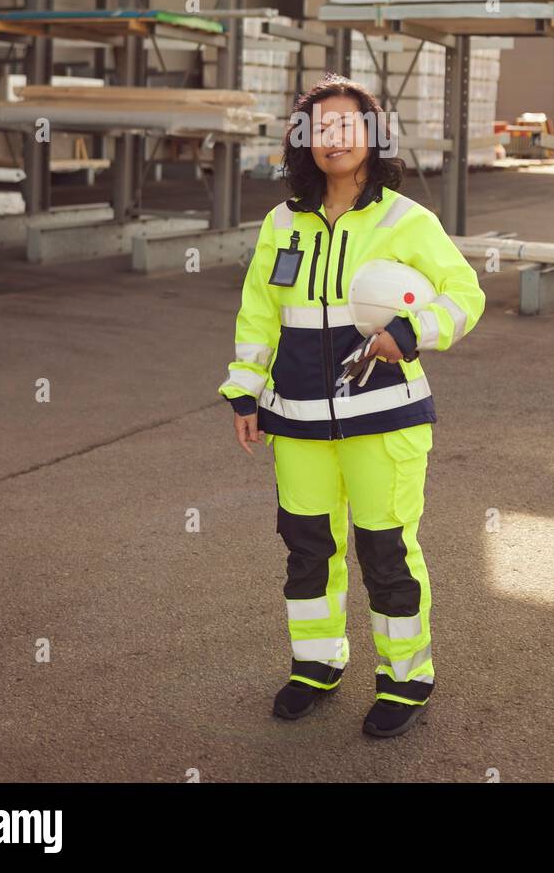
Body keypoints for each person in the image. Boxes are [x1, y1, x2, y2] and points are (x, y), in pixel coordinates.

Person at [218, 74, 486, 738]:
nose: (331, 138)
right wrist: (244, 389)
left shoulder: (406, 220)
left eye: (346, 124)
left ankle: (404, 677)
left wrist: (411, 332)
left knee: (385, 552)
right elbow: (258, 314)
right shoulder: (281, 224)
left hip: (384, 423)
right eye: (317, 128)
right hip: (298, 424)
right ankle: (316, 664)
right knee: (307, 549)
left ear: (373, 135)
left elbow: (464, 295)